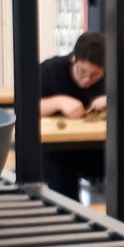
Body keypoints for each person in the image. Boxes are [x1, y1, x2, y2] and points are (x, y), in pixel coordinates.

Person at [39, 31, 107, 202]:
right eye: (82, 71)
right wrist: (58, 102)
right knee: (60, 165)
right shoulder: (50, 70)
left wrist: (114, 100)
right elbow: (25, 107)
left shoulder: (113, 73)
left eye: (95, 75)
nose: (87, 79)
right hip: (59, 149)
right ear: (73, 58)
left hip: (98, 148)